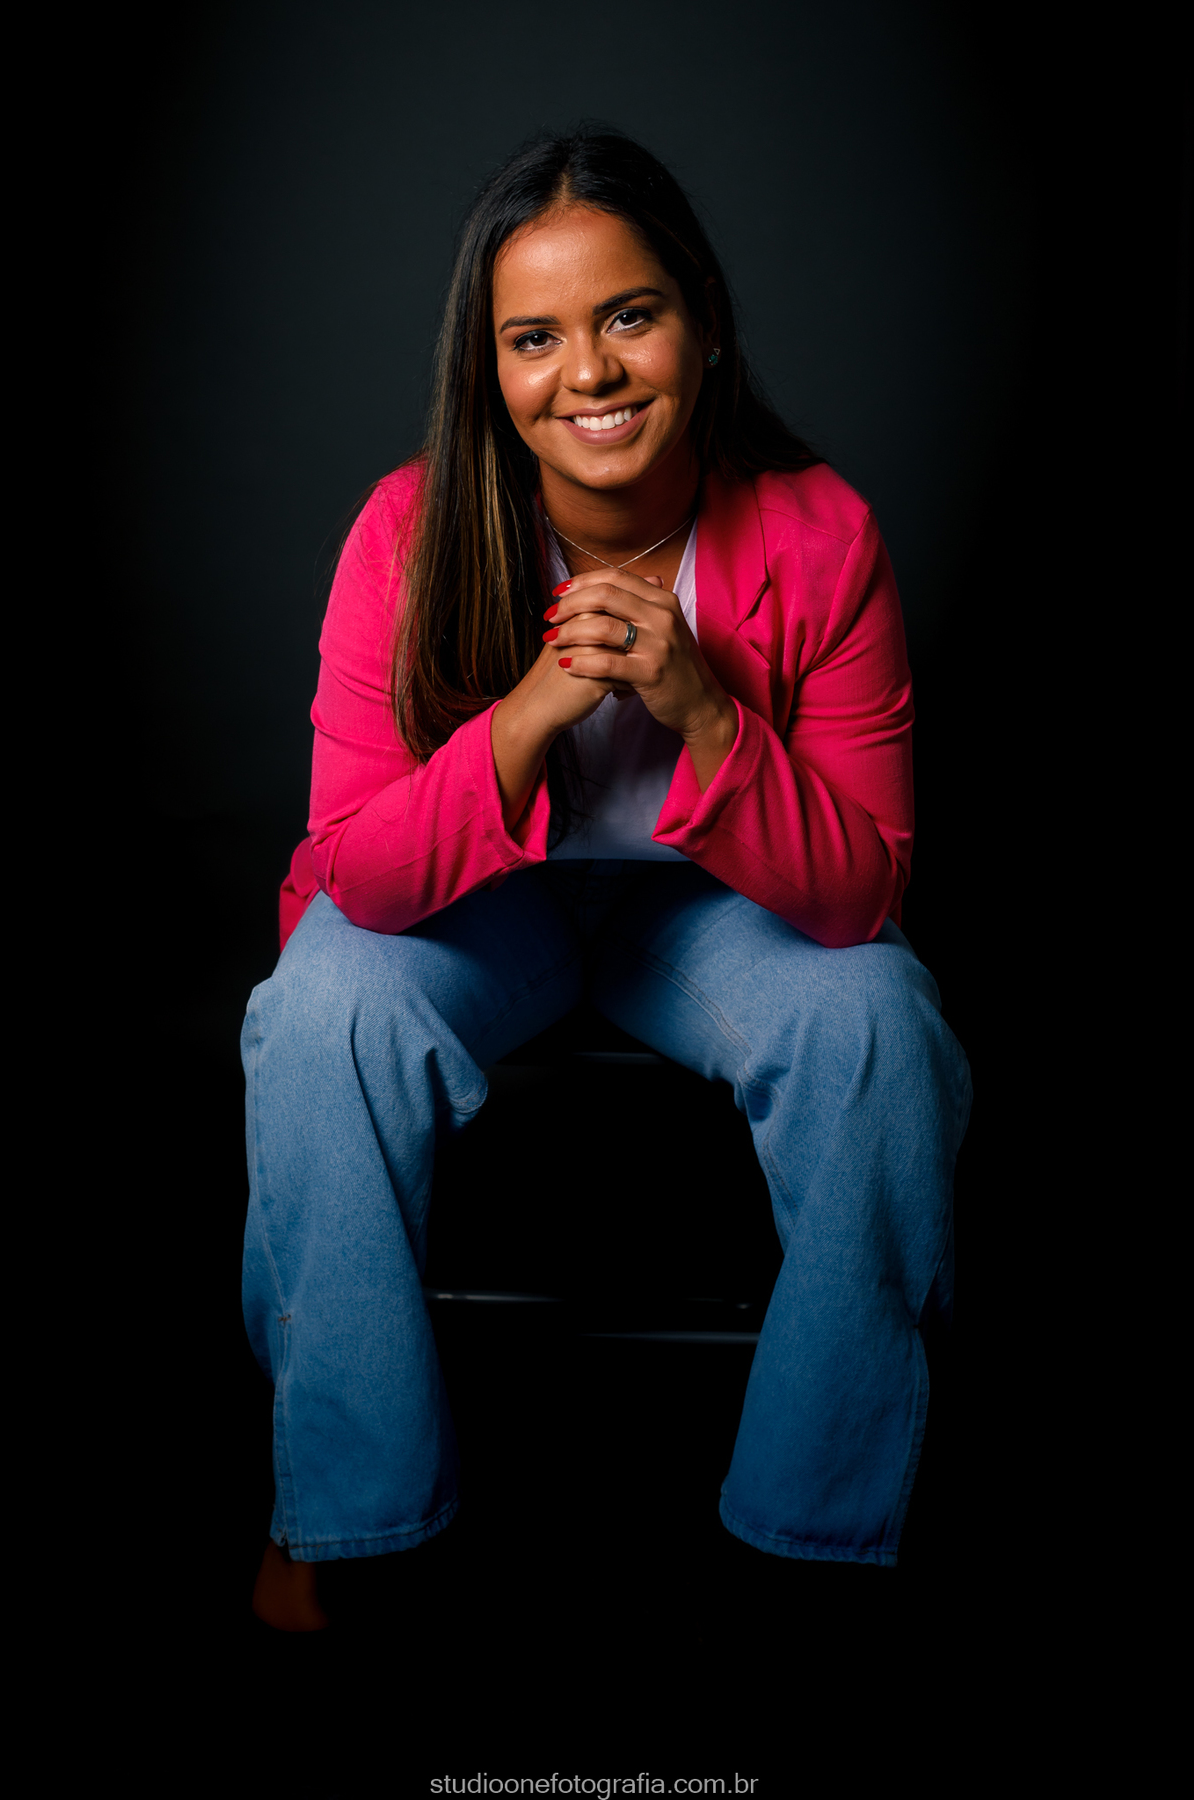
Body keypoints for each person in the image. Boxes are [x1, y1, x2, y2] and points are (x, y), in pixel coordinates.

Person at [244, 129, 972, 1631]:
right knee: (316, 1013)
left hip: (709, 914)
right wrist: (522, 722)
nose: (588, 371)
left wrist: (705, 710)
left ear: (700, 323)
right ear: (490, 369)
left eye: (629, 316)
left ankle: (814, 1531)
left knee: (880, 1025)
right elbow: (353, 870)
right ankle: (344, 1515)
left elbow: (862, 894)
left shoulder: (820, 533)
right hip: (480, 911)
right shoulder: (407, 530)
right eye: (535, 337)